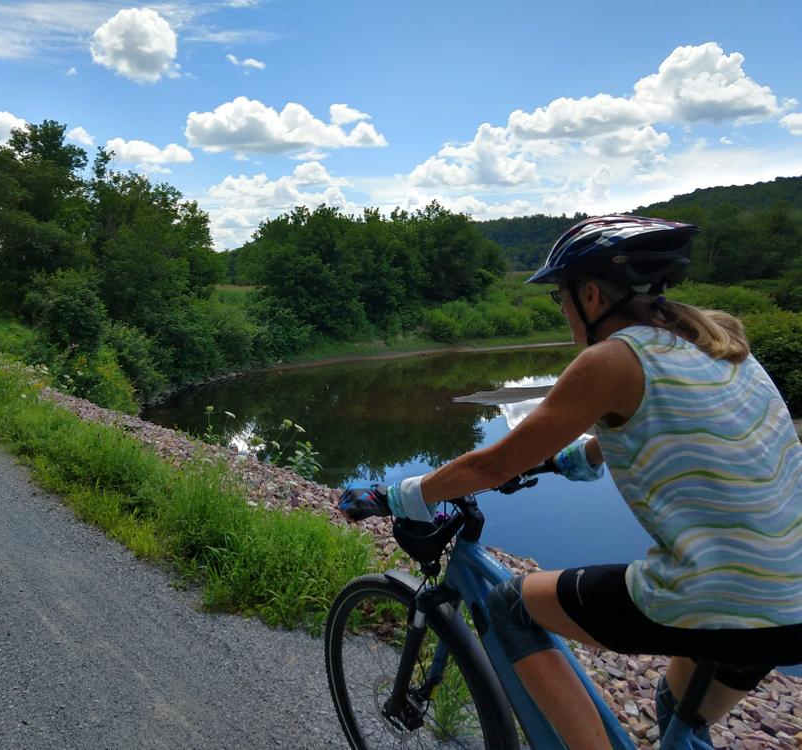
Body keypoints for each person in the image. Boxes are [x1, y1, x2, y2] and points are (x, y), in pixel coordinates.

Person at [339, 215, 802, 749]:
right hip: (788, 597)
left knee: (508, 606)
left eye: (561, 296)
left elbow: (493, 466)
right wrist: (566, 462)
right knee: (679, 713)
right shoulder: (718, 343)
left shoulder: (611, 358)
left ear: (590, 294)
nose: (560, 310)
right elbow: (666, 429)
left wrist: (395, 493)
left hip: (717, 593)